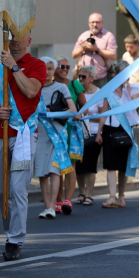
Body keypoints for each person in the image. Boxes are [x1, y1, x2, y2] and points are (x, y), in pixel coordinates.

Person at [0, 31, 46, 261]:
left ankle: (15, 239)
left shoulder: (38, 65)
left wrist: (14, 67)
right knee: (1, 190)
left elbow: (31, 90)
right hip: (0, 133)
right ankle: (10, 231)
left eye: (20, 36)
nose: (14, 40)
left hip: (24, 135)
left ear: (29, 40)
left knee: (17, 189)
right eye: (11, 36)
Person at [36, 57, 76, 218]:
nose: (47, 72)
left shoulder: (61, 87)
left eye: (50, 68)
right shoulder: (35, 88)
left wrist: (53, 112)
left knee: (54, 171)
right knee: (42, 173)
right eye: (44, 68)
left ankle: (53, 206)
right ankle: (47, 207)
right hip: (39, 134)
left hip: (57, 134)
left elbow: (72, 110)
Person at [97, 61, 139, 208]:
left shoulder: (133, 90)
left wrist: (127, 89)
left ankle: (121, 196)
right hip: (110, 129)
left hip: (126, 129)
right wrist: (99, 132)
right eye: (122, 72)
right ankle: (111, 197)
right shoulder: (108, 91)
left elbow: (134, 107)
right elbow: (103, 113)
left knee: (123, 166)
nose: (124, 76)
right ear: (114, 74)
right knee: (110, 165)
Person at [53, 55, 86, 210]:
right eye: (62, 66)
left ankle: (68, 200)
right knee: (58, 165)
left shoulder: (74, 85)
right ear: (54, 69)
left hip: (71, 130)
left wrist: (79, 114)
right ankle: (58, 201)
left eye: (67, 67)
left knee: (71, 165)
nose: (65, 69)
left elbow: (85, 107)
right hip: (55, 129)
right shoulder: (49, 85)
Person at [73, 65, 103, 207]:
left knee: (90, 165)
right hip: (78, 133)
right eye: (79, 76)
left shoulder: (98, 93)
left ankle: (89, 195)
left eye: (83, 77)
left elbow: (102, 116)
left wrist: (98, 133)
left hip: (94, 133)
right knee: (79, 165)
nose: (80, 79)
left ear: (91, 78)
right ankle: (81, 193)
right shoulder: (77, 92)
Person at [72, 13, 117, 87]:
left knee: (102, 98)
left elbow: (113, 55)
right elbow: (74, 55)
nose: (95, 24)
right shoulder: (83, 36)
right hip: (84, 77)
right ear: (88, 23)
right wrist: (82, 49)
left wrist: (96, 49)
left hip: (101, 78)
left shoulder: (108, 36)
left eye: (97, 22)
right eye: (92, 22)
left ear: (102, 23)